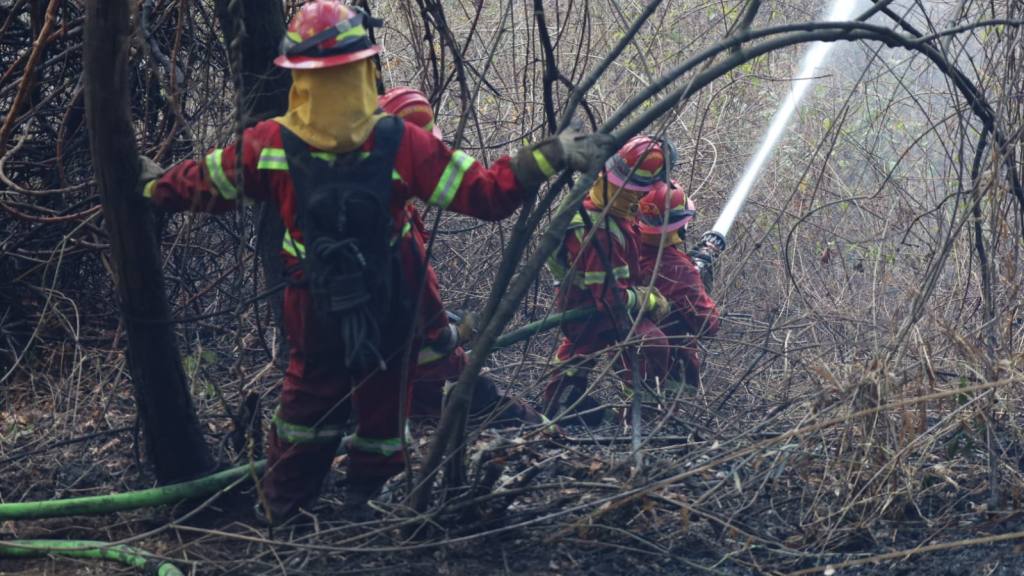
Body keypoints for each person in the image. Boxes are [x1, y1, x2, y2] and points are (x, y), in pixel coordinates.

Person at [138, 0, 613, 523]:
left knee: (306, 403)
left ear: (297, 76)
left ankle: (283, 509)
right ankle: (364, 502)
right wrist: (549, 155)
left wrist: (152, 184)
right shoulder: (401, 143)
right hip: (392, 304)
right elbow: (485, 194)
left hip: (313, 307)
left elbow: (207, 183)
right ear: (365, 69)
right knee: (386, 405)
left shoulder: (269, 144)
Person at [378, 86, 541, 426]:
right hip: (423, 375)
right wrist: (450, 337)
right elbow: (417, 307)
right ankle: (544, 430)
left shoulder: (391, 207)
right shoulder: (392, 231)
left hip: (401, 369)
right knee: (504, 415)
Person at [543, 135, 676, 426]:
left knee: (576, 356)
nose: (640, 199)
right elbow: (609, 298)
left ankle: (554, 409)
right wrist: (648, 298)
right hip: (594, 311)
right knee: (652, 345)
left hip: (589, 309)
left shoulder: (607, 210)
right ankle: (638, 419)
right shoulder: (600, 231)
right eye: (638, 192)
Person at [635, 180, 719, 392]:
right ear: (678, 226)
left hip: (625, 350)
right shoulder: (679, 270)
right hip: (662, 364)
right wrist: (700, 278)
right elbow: (707, 325)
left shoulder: (626, 243)